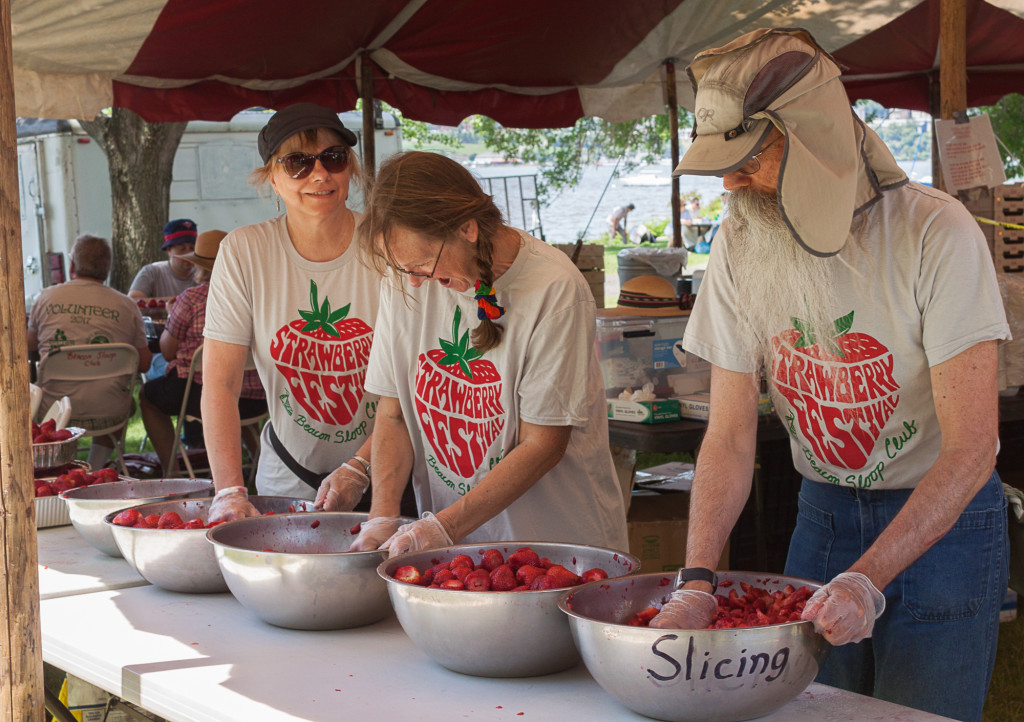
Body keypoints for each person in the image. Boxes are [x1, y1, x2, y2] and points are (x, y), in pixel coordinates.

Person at [650, 28, 1009, 722]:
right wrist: (697, 578)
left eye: (748, 159)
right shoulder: (741, 238)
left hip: (944, 521)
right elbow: (729, 435)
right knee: (810, 710)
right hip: (823, 511)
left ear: (813, 142)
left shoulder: (936, 233)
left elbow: (971, 450)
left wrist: (866, 579)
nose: (728, 183)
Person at [350, 151, 628, 557]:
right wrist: (382, 516)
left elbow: (542, 444)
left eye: (423, 264)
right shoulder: (406, 277)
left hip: (555, 549)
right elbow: (394, 414)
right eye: (405, 268)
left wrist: (443, 528)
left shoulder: (554, 289)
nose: (414, 282)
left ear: (467, 227)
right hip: (458, 550)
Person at [203, 103, 381, 523]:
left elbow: (412, 380)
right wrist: (228, 491)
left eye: (333, 157)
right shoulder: (244, 251)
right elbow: (221, 383)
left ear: (351, 168)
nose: (319, 174)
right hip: (288, 479)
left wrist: (362, 466)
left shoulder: (386, 245)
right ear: (272, 177)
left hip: (389, 475)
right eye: (298, 162)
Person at [138, 230, 268, 476]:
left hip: (202, 395)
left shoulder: (191, 298)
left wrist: (172, 314)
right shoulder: (258, 297)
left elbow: (167, 351)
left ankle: (172, 471)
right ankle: (259, 466)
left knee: (147, 396)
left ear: (199, 266)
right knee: (235, 390)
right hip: (258, 399)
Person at [27, 234, 152, 469]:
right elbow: (144, 363)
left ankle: (62, 467)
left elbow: (31, 344)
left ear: (72, 265)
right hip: (110, 410)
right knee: (116, 394)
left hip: (54, 410)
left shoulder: (45, 298)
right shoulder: (126, 305)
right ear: (107, 269)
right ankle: (94, 466)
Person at [128, 219, 200, 301]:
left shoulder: (205, 274)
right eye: (181, 248)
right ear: (169, 250)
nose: (188, 253)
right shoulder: (151, 272)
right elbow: (133, 300)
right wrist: (178, 301)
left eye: (192, 248)